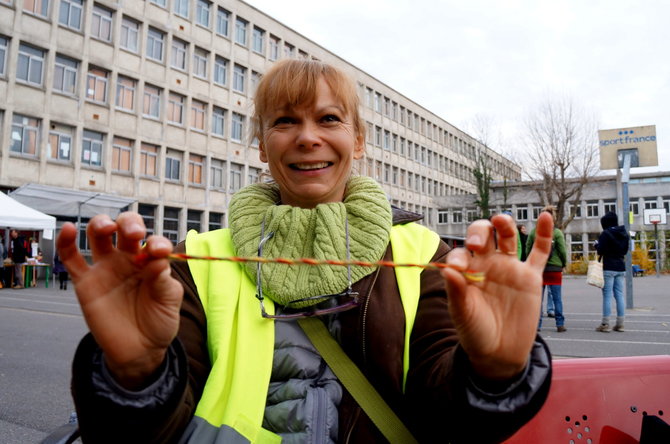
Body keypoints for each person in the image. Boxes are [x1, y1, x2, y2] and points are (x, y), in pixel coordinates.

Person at [57, 59, 556, 443]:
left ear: (357, 141)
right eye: (285, 121)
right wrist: (136, 374)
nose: (308, 138)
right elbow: (150, 433)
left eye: (329, 119)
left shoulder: (424, 256)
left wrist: (493, 370)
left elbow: (451, 418)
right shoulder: (191, 263)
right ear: (261, 145)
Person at [526, 206, 567, 332]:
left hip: (539, 269)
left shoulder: (534, 232)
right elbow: (562, 251)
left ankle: (537, 324)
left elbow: (528, 250)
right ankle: (559, 324)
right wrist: (563, 264)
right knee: (557, 298)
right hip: (555, 269)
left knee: (538, 299)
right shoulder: (557, 233)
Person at [594, 211, 630, 332]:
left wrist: (597, 246)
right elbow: (625, 251)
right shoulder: (624, 233)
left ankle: (605, 324)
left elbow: (600, 250)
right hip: (620, 266)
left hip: (609, 266)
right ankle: (620, 323)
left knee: (607, 295)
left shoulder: (606, 233)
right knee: (619, 294)